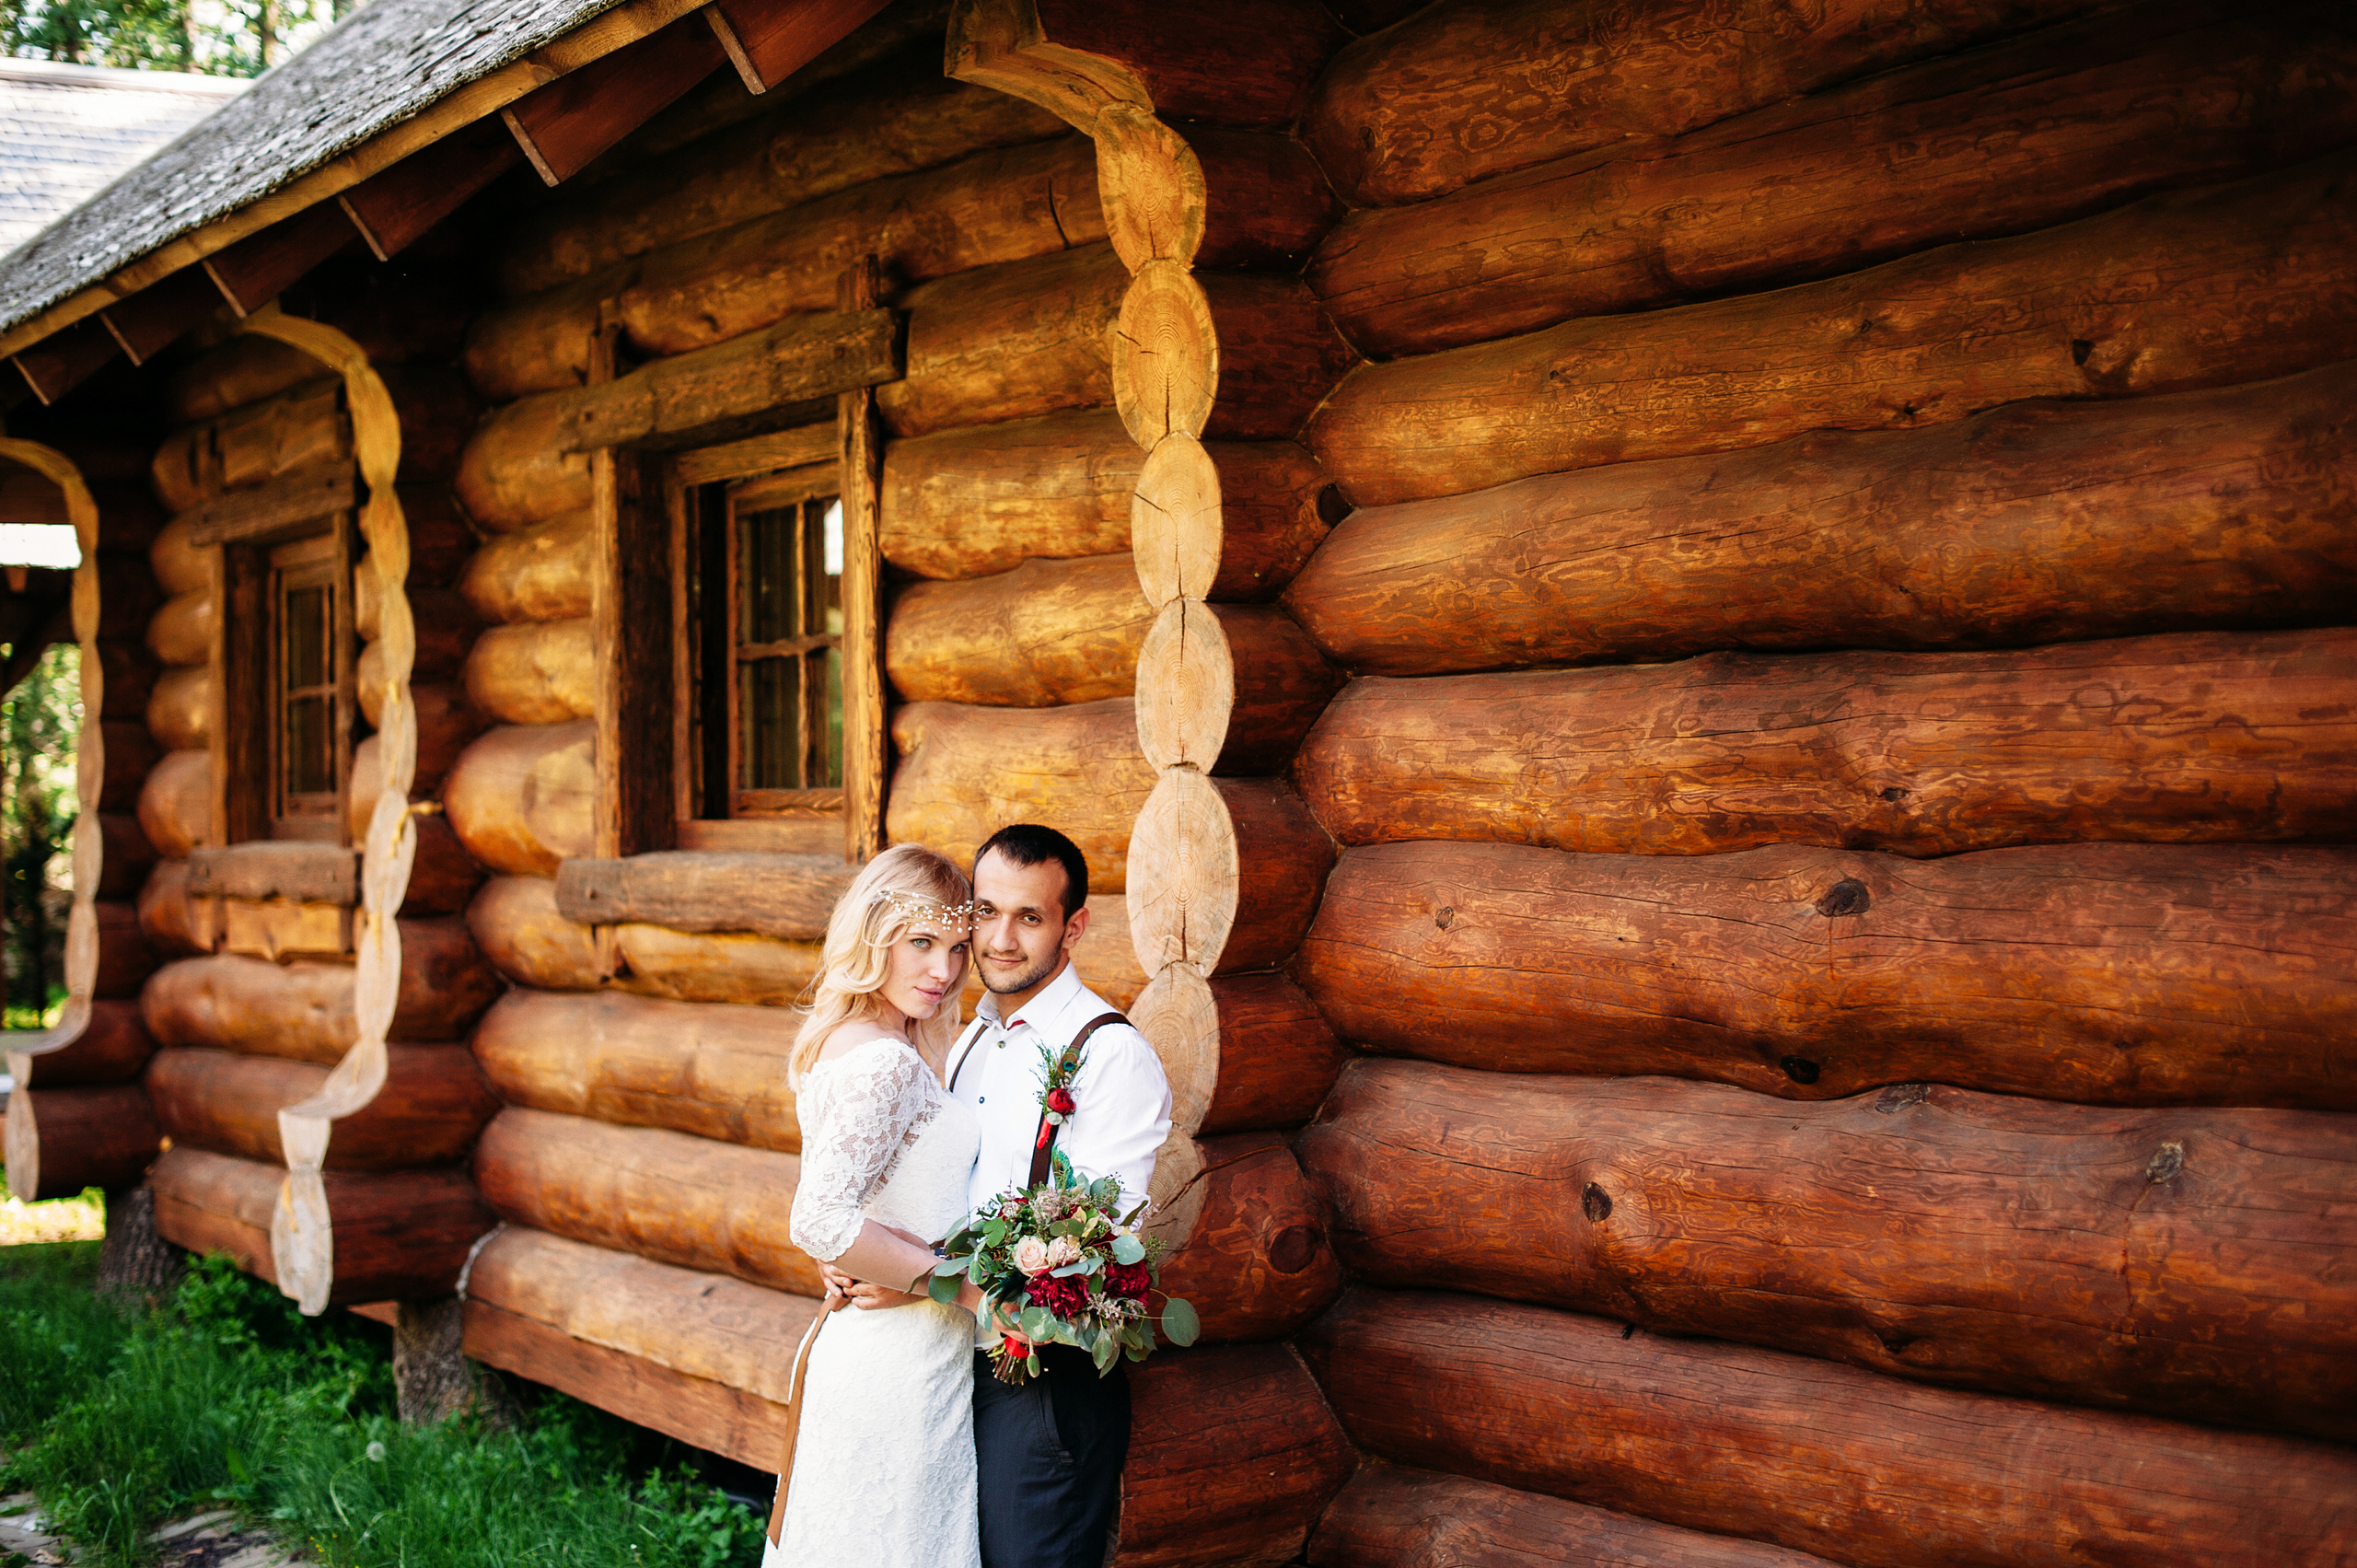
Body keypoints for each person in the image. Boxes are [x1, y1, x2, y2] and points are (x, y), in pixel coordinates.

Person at [825, 824, 1173, 1568]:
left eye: (1031, 917)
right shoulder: (970, 1038)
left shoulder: (1110, 1054)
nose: (1001, 940)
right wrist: (867, 1250)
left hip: (1040, 1389)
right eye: (985, 912)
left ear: (1072, 926)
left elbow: (1096, 1263)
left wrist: (928, 1277)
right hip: (942, 1367)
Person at [768, 842, 994, 1568]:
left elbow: (854, 1213)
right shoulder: (884, 1062)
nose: (944, 969)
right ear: (873, 934)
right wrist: (951, 1280)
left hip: (887, 1348)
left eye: (959, 948)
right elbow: (820, 1219)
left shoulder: (858, 1041)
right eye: (921, 942)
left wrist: (868, 1257)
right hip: (900, 1357)